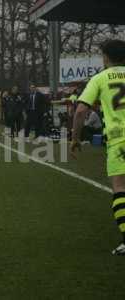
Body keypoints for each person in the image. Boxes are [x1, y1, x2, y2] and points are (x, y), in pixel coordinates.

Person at [71, 39, 125, 255]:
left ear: (107, 57)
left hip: (119, 138)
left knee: (120, 187)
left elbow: (81, 111)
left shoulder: (100, 78)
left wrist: (75, 138)